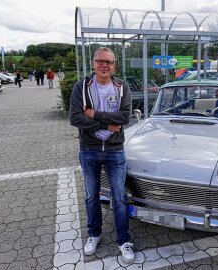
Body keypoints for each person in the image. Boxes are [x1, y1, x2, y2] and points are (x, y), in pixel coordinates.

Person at [69, 47, 134, 263]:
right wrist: (107, 122)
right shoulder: (82, 87)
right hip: (89, 149)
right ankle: (94, 234)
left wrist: (94, 114)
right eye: (100, 61)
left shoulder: (122, 87)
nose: (104, 65)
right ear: (93, 63)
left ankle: (123, 240)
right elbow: (75, 118)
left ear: (114, 65)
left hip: (115, 151)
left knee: (120, 197)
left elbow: (124, 117)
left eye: (108, 62)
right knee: (91, 196)